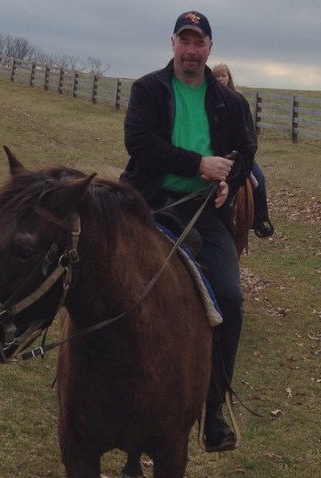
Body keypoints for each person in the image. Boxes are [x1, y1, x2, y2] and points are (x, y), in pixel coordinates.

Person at [120, 10, 257, 452]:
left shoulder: (229, 102)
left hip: (204, 213)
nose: (192, 51)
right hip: (149, 203)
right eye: (185, 41)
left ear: (210, 49)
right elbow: (139, 143)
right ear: (173, 44)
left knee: (230, 300)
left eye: (200, 43)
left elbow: (246, 150)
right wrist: (197, 164)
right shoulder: (149, 90)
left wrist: (228, 185)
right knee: (110, 279)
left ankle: (214, 408)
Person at [212, 62, 274, 237]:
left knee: (259, 179)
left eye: (223, 75)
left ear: (229, 77)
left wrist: (246, 152)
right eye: (217, 76)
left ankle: (261, 219)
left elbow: (249, 131)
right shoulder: (209, 100)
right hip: (216, 154)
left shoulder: (238, 101)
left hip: (239, 154)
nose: (220, 79)